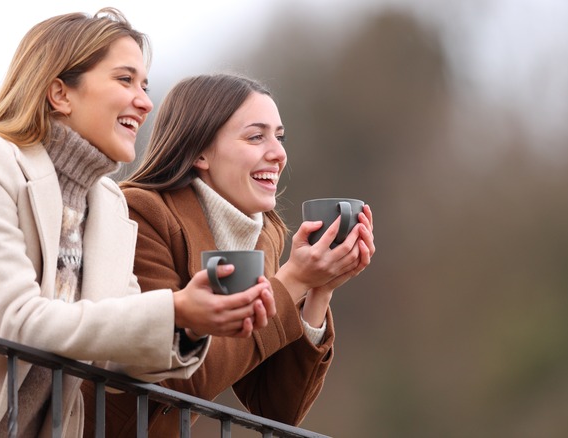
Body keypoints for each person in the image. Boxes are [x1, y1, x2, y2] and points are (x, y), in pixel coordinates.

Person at [0, 11, 275, 438]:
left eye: (145, 85)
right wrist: (174, 308)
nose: (146, 101)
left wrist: (186, 324)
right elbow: (17, 321)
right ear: (60, 93)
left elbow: (118, 357)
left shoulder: (108, 204)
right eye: (125, 80)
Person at [83, 73, 375, 436]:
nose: (278, 153)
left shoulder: (264, 235)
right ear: (201, 151)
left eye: (279, 137)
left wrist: (317, 291)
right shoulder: (140, 213)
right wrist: (293, 280)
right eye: (256, 137)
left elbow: (275, 408)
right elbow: (182, 378)